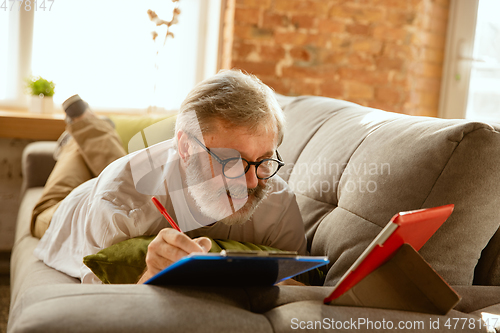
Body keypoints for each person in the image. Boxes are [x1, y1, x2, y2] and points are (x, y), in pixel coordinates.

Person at [32, 69, 307, 284]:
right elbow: (108, 312)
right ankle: (78, 136)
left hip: (145, 172)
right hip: (73, 207)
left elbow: (303, 289)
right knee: (44, 210)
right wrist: (149, 276)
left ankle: (93, 131)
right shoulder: (118, 204)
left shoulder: (277, 202)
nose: (251, 183)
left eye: (262, 160)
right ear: (187, 147)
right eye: (230, 161)